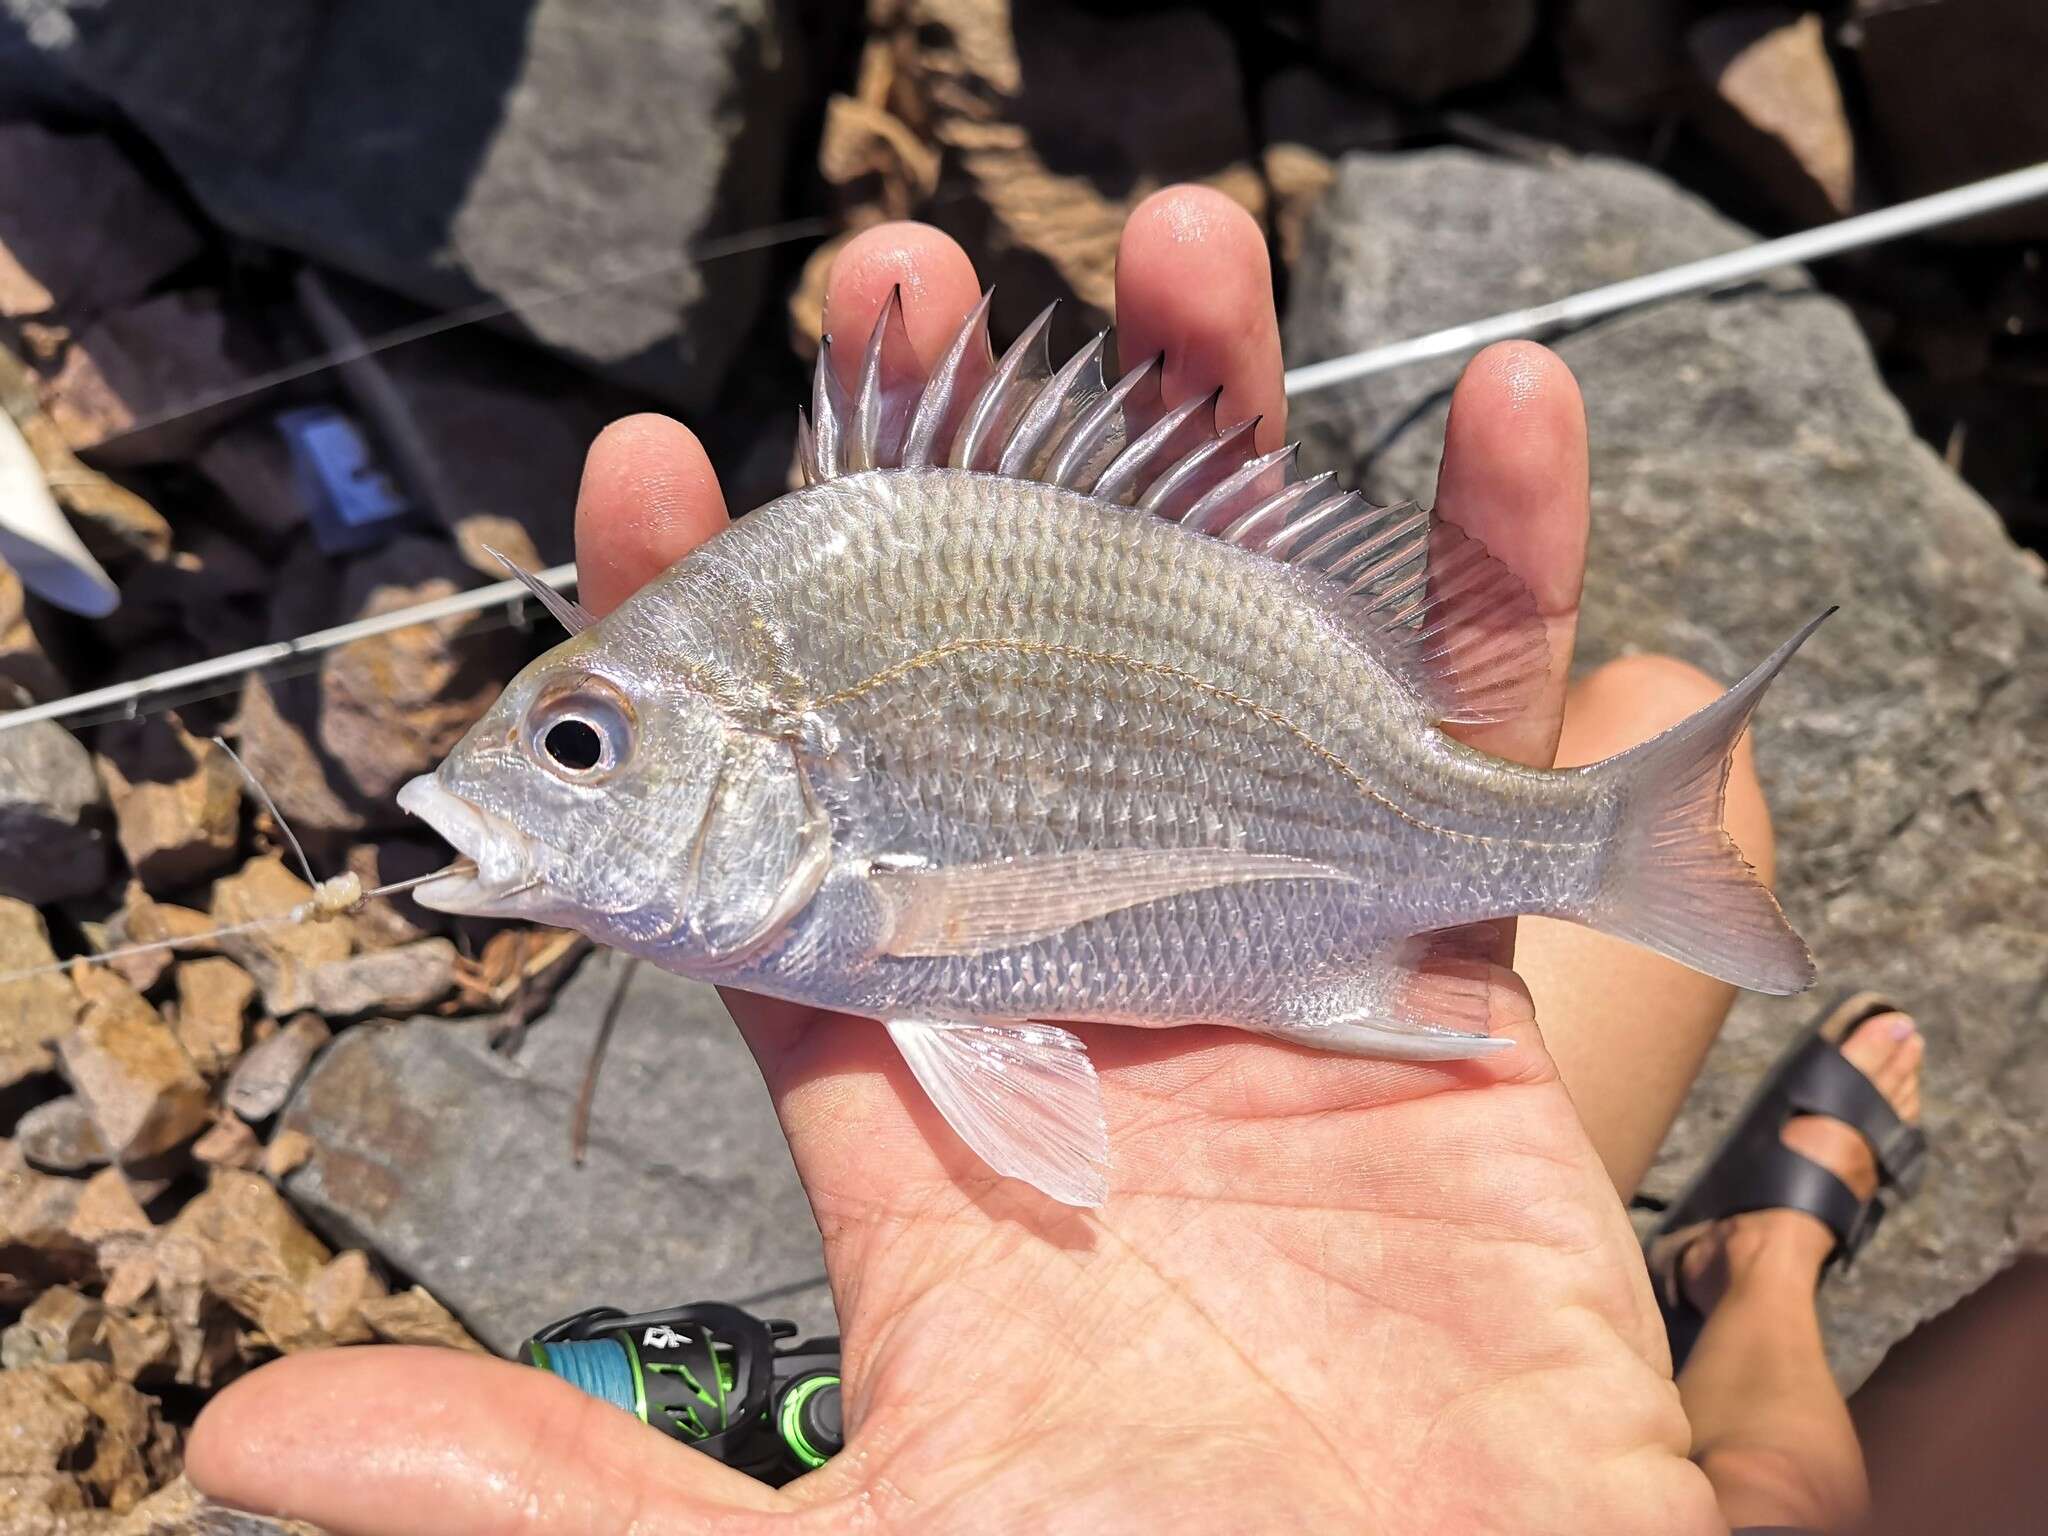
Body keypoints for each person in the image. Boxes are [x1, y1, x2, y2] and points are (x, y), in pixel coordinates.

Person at [185, 187, 1923, 1535]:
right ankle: (1758, 1278)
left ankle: (1736, 1247)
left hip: (1328, 831)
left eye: (582, 748)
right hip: (1337, 887)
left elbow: (977, 960)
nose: (516, 793)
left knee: (1662, 721)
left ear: (779, 756)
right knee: (1671, 709)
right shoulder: (831, 821)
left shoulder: (856, 855)